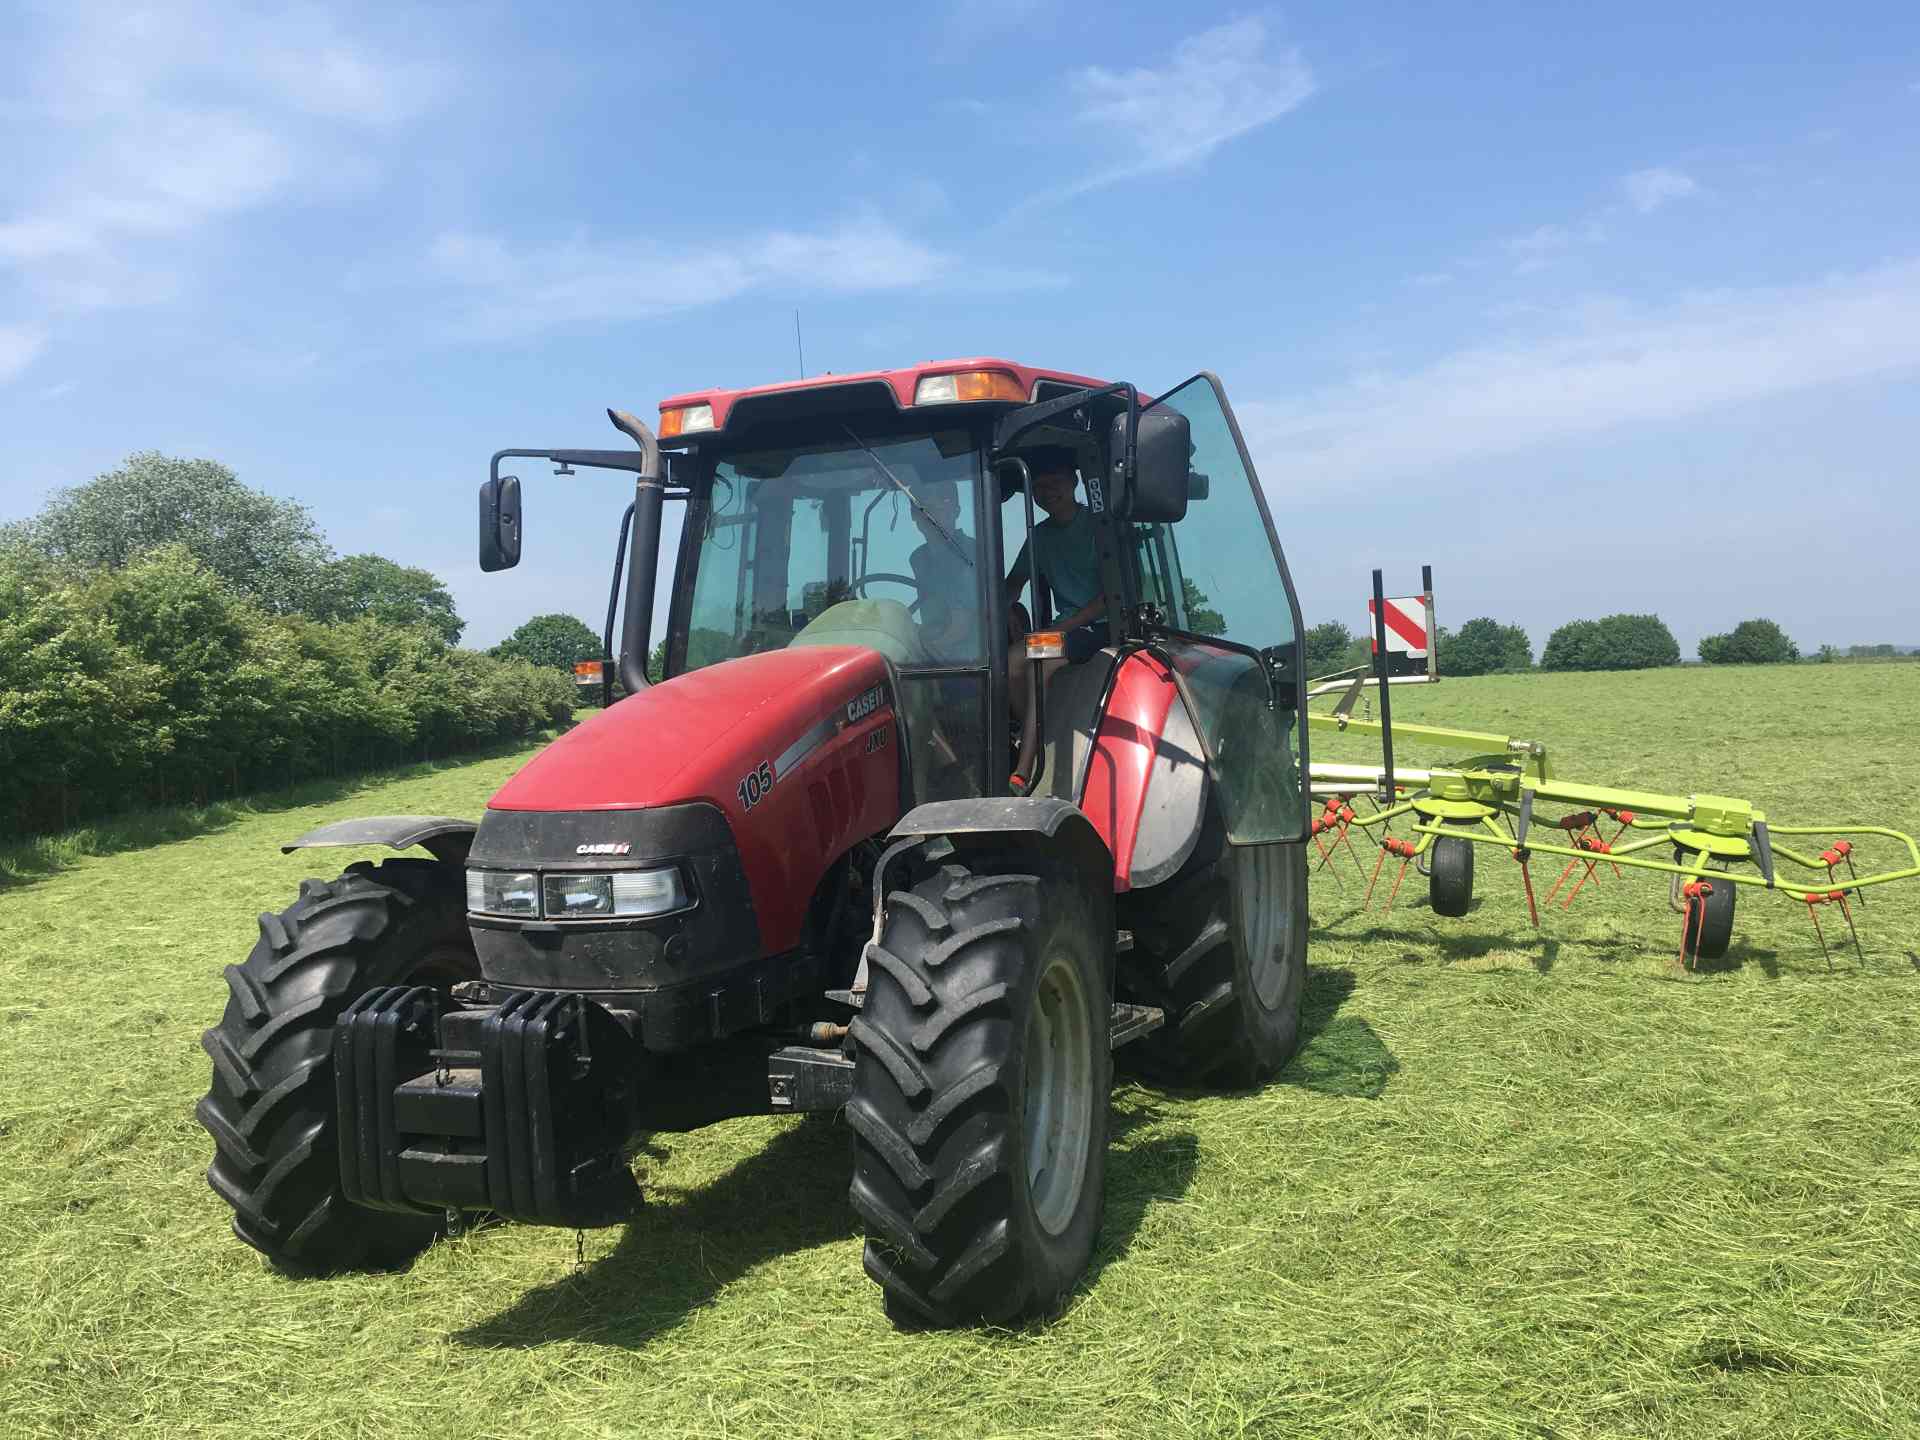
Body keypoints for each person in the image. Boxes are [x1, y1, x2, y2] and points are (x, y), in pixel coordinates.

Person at [1004, 448, 1106, 783]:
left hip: (1099, 629)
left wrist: (1063, 627)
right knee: (1011, 660)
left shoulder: (1098, 525)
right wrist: (1003, 608)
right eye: (1039, 487)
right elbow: (1014, 584)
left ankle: (1024, 768)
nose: (1047, 492)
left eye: (1055, 483)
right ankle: (1035, 735)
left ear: (1074, 482)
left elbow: (1108, 599)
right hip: (1065, 632)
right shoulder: (1041, 536)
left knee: (1044, 660)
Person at [906, 478, 980, 664]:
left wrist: (930, 647)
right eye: (922, 507)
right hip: (937, 648)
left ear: (956, 511)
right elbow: (931, 614)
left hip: (971, 659)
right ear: (913, 515)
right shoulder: (918, 558)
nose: (931, 511)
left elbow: (962, 622)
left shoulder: (971, 552)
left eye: (941, 505)